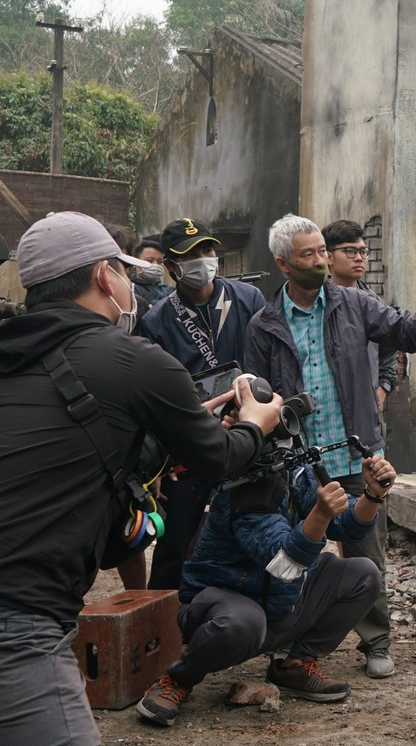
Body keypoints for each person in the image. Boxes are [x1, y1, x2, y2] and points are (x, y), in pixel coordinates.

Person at [0, 211, 281, 746]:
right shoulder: (138, 359)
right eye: (123, 270)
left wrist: (170, 435)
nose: (129, 282)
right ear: (102, 276)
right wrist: (255, 424)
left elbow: (60, 449)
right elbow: (220, 458)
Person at [244, 214, 416, 680]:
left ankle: (376, 640)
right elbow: (258, 397)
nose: (320, 261)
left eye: (323, 251)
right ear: (284, 264)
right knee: (293, 556)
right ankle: (288, 641)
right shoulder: (264, 323)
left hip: (355, 456)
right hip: (297, 464)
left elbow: (404, 334)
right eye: (308, 255)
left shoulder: (355, 303)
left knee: (366, 554)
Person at [135, 455, 396, 725]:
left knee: (364, 574)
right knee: (244, 621)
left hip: (277, 606)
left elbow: (346, 525)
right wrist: (320, 513)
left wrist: (373, 495)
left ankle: (293, 665)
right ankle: (178, 679)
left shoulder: (294, 471)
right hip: (220, 613)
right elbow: (284, 563)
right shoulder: (244, 484)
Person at [138, 218, 268, 591]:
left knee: (256, 532)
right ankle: (164, 618)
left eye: (207, 249)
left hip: (249, 432)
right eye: (190, 254)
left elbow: (269, 361)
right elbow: (151, 394)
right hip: (189, 444)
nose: (203, 259)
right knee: (176, 543)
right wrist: (156, 459)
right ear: (170, 266)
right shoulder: (156, 320)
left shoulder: (248, 299)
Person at [322, 220, 399, 415]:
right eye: (350, 251)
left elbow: (389, 349)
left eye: (363, 252)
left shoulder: (373, 303)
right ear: (329, 257)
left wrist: (382, 387)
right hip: (326, 406)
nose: (359, 258)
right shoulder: (318, 301)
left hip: (365, 409)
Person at [131, 239, 173, 308]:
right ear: (135, 261)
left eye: (160, 261)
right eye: (150, 260)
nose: (155, 265)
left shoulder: (168, 289)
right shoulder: (131, 289)